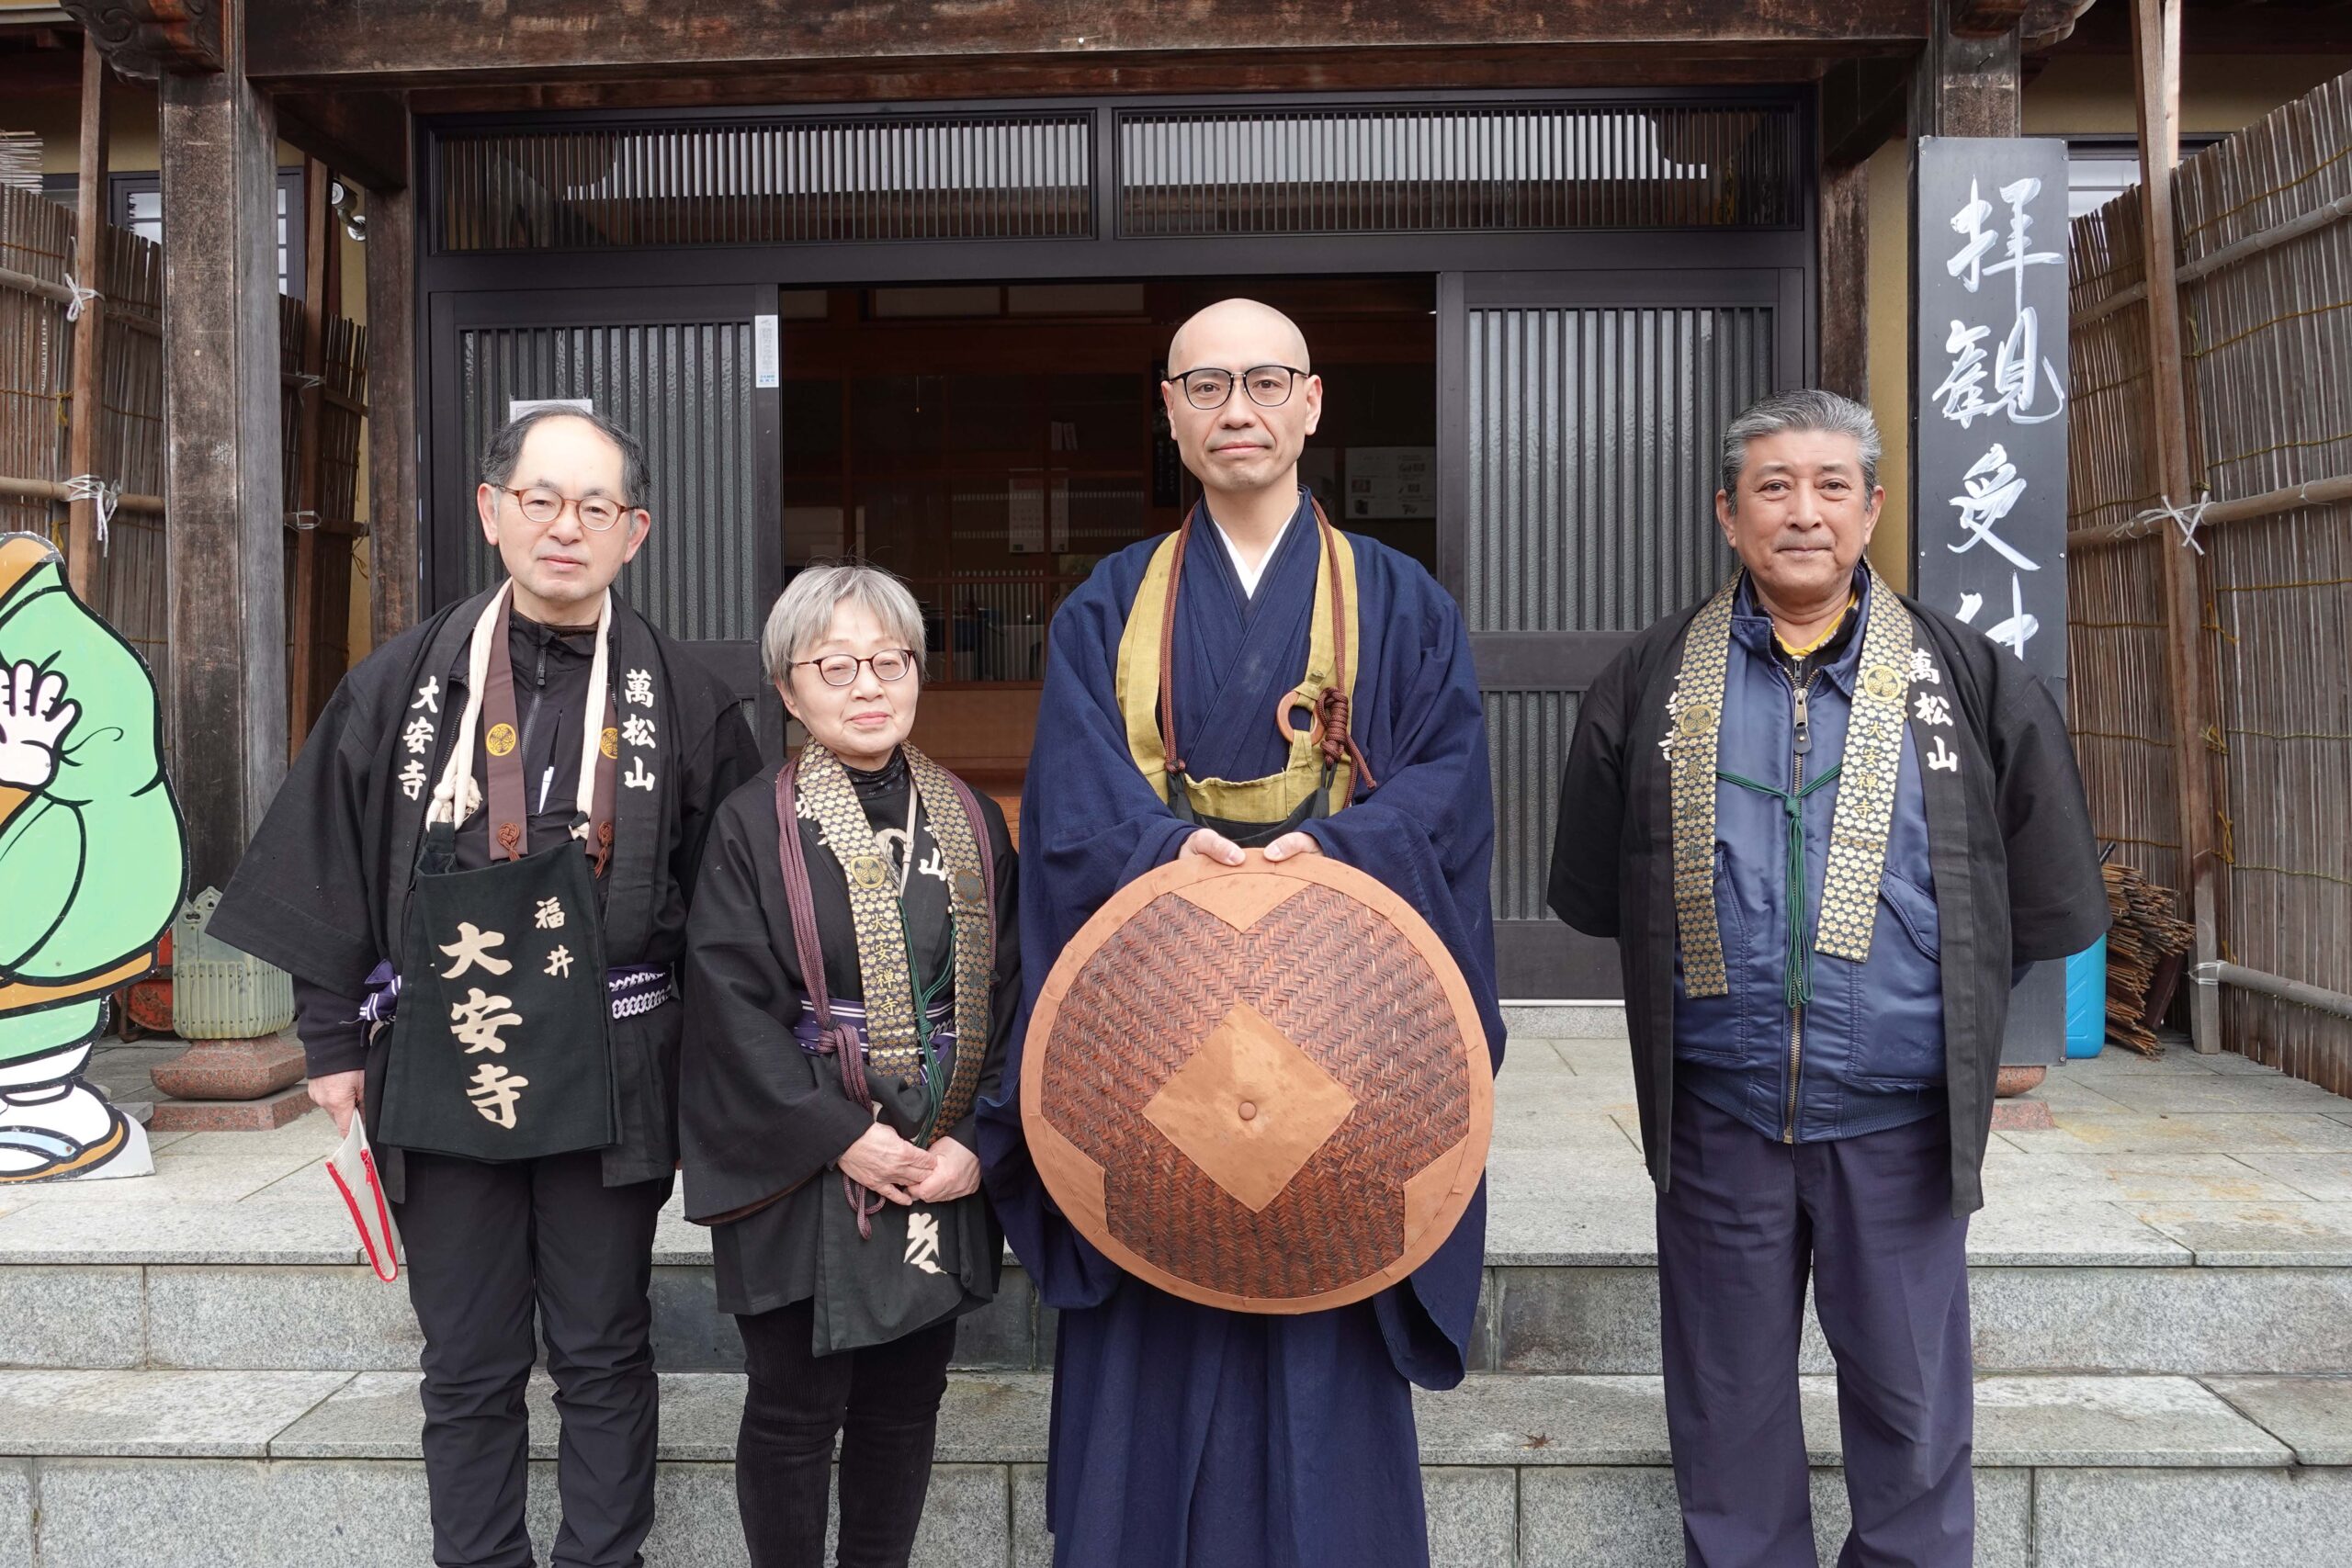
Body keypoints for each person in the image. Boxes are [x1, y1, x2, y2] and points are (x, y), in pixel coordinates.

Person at [978, 299, 1503, 1567]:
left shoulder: (1402, 602)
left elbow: (1447, 788)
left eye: (1266, 382)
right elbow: (1072, 807)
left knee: (1325, 1291)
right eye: (1206, 386)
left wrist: (1337, 860)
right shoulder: (1109, 605)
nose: (1238, 411)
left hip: (1340, 1045)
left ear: (1312, 403)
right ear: (1170, 412)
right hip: (1154, 1048)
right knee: (1152, 1296)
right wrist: (1169, 860)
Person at [1547, 389, 2107, 1567]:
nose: (1802, 513)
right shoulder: (1649, 678)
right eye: (1773, 487)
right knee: (1726, 1410)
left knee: (1911, 1412)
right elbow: (1599, 889)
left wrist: (1962, 1020)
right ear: (1727, 513)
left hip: (1898, 1119)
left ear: (1872, 507)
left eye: (1830, 486)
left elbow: (2042, 892)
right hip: (1721, 1111)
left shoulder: (1970, 678)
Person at [209, 407, 761, 1568]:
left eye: (595, 507)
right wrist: (330, 1044)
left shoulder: (688, 696)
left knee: (604, 1347)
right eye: (540, 500)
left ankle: (603, 1558)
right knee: (465, 1360)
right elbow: (328, 856)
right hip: (441, 1051)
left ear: (635, 532)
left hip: (611, 1061)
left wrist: (716, 1076)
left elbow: (730, 904)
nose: (566, 527)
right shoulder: (403, 680)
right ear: (491, 511)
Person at [678, 562, 1018, 1568]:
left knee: (906, 1401)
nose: (868, 686)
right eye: (835, 666)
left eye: (889, 661)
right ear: (789, 691)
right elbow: (728, 1007)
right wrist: (841, 1135)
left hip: (938, 1146)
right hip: (801, 1147)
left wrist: (976, 1136)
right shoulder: (751, 823)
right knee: (795, 1407)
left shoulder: (970, 816)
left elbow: (1011, 987)